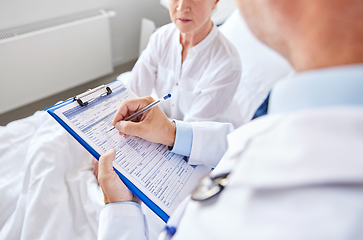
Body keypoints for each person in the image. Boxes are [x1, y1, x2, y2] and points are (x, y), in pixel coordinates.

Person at [97, 0, 363, 239]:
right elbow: (229, 141)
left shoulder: (227, 62)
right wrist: (171, 132)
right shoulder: (275, 122)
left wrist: (119, 208)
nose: (182, 7)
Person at [127, 0, 241, 124]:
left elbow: (192, 132)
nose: (181, 7)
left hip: (205, 138)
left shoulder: (227, 63)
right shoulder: (161, 38)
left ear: (215, 2)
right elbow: (132, 94)